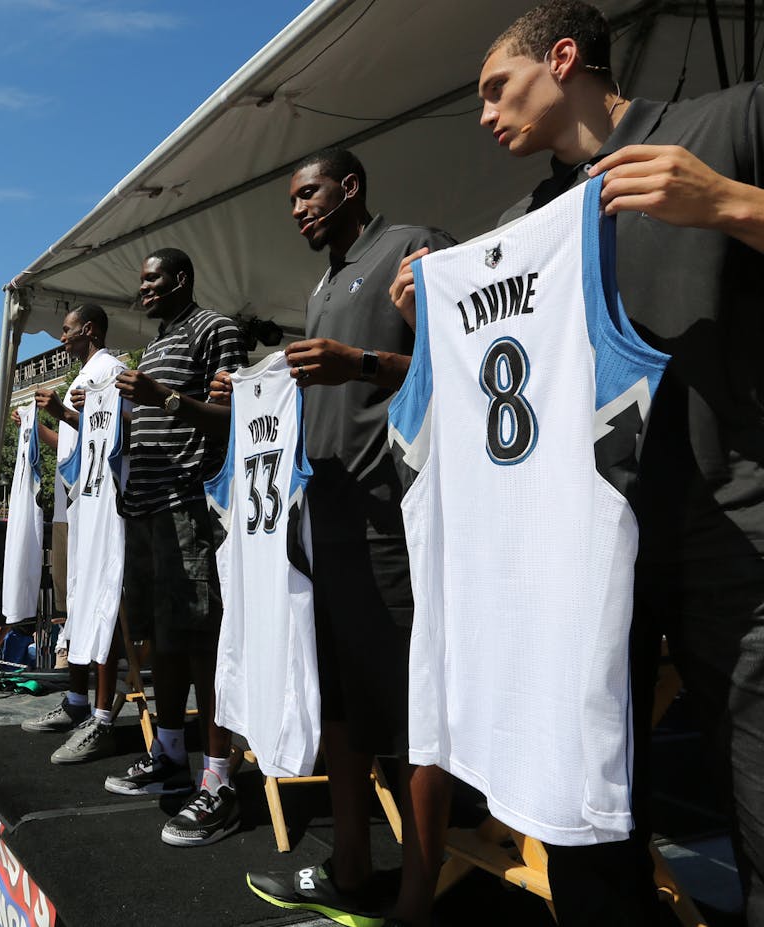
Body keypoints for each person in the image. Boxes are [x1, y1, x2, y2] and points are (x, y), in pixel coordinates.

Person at [387, 3, 763, 924]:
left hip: (736, 527)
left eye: (495, 89)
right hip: (578, 555)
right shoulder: (522, 224)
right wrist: (431, 323)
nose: (483, 115)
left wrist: (732, 204)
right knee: (579, 824)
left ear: (564, 59)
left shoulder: (729, 122)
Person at [228, 147, 455, 925]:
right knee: (344, 712)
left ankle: (420, 897)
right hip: (325, 528)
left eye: (310, 193)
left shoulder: (412, 244)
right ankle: (350, 867)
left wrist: (357, 361)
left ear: (351, 186)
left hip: (390, 518)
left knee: (408, 713)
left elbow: (456, 359)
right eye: (291, 200)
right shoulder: (324, 283)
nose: (298, 209)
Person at [101, 247, 245, 847]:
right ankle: (168, 754)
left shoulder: (217, 330)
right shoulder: (158, 344)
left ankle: (219, 777)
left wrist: (160, 397)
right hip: (149, 507)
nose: (145, 290)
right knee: (163, 640)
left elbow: (235, 415)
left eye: (154, 279)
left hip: (191, 502)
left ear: (182, 278)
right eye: (141, 282)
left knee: (201, 637)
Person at [19, 304, 132, 766]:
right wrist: (39, 425)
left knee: (101, 606)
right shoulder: (84, 374)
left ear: (88, 330)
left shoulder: (112, 370)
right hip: (77, 507)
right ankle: (78, 702)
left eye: (66, 331)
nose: (61, 339)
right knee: (78, 608)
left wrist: (64, 411)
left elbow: (115, 435)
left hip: (104, 509)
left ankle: (102, 716)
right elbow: (73, 444)